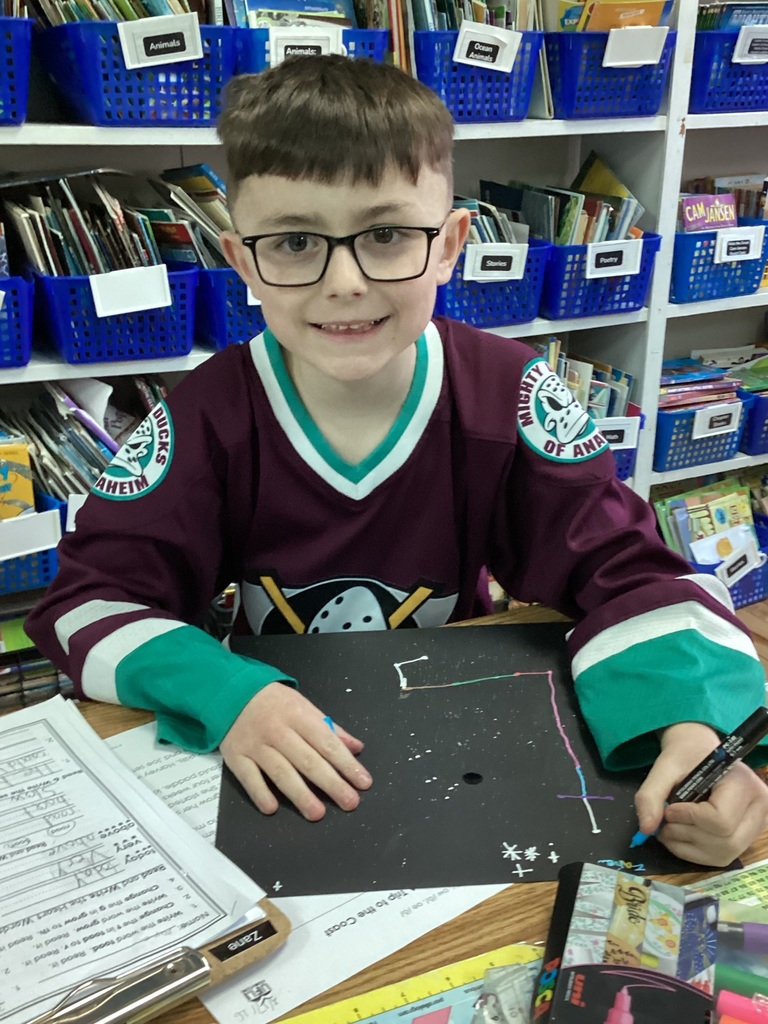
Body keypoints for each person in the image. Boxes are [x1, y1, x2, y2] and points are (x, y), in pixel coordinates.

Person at [25, 55, 768, 867]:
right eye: (296, 241)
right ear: (242, 262)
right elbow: (86, 601)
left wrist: (693, 729)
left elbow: (627, 570)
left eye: (385, 235)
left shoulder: (515, 396)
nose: (345, 283)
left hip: (467, 729)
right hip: (270, 736)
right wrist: (223, 693)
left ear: (450, 245)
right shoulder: (204, 417)